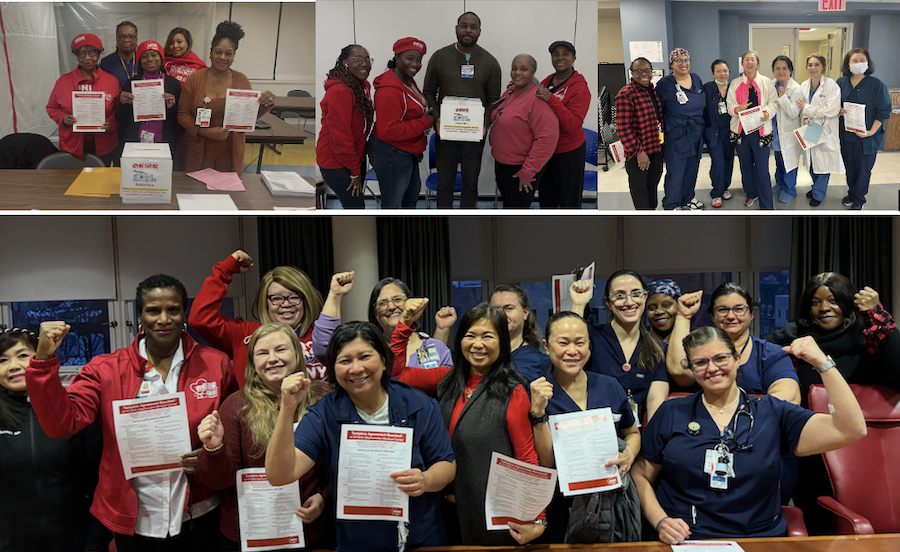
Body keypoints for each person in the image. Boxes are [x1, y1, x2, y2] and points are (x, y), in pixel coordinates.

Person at [25, 274, 238, 550]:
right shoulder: (106, 369)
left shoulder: (216, 364)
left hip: (199, 514)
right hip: (134, 519)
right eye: (152, 310)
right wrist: (43, 362)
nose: (164, 319)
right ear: (139, 316)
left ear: (183, 314)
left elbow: (231, 433)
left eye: (173, 309)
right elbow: (62, 423)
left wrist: (210, 457)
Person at [632, 326, 866, 543]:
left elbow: (851, 429)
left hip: (758, 538)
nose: (712, 368)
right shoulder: (672, 412)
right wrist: (661, 521)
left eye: (721, 358)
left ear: (737, 359)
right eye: (700, 362)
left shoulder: (773, 412)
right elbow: (641, 475)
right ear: (692, 369)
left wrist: (822, 363)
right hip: (688, 538)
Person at [265, 321, 456, 552]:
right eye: (345, 361)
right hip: (357, 542)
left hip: (422, 539)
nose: (356, 369)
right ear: (333, 369)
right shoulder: (325, 413)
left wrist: (425, 481)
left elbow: (446, 465)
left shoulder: (418, 404)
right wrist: (287, 408)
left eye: (365, 356)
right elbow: (280, 475)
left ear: (384, 361)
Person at [387, 302, 546, 545]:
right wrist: (405, 325)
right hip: (441, 511)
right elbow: (397, 375)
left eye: (488, 336)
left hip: (489, 515)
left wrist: (537, 520)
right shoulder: (446, 379)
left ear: (502, 342)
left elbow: (526, 457)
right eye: (470, 335)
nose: (478, 344)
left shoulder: (513, 391)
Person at [767, 272, 899, 534]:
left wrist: (876, 314)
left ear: (848, 303)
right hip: (811, 456)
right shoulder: (792, 340)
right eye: (816, 301)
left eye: (834, 300)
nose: (824, 308)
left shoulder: (869, 338)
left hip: (864, 450)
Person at [194, 323, 333, 550]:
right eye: (262, 353)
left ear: (297, 355)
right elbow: (217, 482)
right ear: (253, 362)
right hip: (251, 534)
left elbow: (338, 462)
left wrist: (324, 497)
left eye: (281, 350)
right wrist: (214, 448)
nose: (272, 359)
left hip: (311, 530)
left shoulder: (323, 398)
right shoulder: (236, 406)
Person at [529, 312, 641, 543]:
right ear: (546, 346)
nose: (573, 351)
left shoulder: (609, 386)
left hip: (609, 503)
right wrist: (538, 412)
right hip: (560, 504)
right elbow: (546, 461)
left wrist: (629, 454)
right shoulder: (538, 392)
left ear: (589, 346)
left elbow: (632, 432)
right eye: (563, 343)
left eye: (580, 342)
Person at [0, 329, 108, 552]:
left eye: (22, 356)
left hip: (77, 541)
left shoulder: (73, 414)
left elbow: (101, 486)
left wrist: (96, 541)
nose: (13, 366)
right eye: (2, 360)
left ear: (40, 360)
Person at [190, 249, 339, 386]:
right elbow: (201, 318)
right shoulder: (244, 334)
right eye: (276, 298)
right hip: (259, 413)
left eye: (294, 297)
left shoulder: (322, 335)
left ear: (306, 299)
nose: (286, 304)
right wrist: (225, 270)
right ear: (265, 302)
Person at [669, 282, 800, 403]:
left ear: (751, 314)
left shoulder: (771, 354)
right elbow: (680, 373)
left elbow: (789, 398)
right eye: (722, 310)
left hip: (758, 426)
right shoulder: (699, 354)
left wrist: (734, 414)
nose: (731, 316)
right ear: (712, 316)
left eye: (739, 309)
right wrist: (683, 316)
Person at [423, 12, 502, 209]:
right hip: (446, 132)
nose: (468, 30)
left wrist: (485, 124)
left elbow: (493, 101)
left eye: (473, 27)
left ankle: (466, 223)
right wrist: (438, 119)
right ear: (456, 28)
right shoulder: (439, 57)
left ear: (479, 31)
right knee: (445, 184)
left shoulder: (490, 62)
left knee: (470, 184)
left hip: (474, 134)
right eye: (464, 25)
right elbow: (429, 93)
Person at [569, 271, 669, 425]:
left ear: (645, 297)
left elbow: (656, 405)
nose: (629, 302)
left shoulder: (657, 348)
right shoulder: (592, 337)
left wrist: (648, 445)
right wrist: (578, 304)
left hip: (637, 436)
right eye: (620, 296)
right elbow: (570, 349)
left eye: (636, 294)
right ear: (608, 303)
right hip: (593, 432)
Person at [176, 21, 275, 176]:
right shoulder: (195, 79)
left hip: (230, 154)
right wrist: (204, 131)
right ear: (210, 52)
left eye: (228, 53)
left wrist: (265, 104)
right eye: (218, 52)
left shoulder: (241, 81)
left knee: (227, 196)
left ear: (233, 56)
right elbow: (182, 114)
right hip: (199, 153)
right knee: (197, 194)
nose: (223, 57)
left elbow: (247, 117)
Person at [312, 276, 455, 369]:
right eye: (383, 303)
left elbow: (447, 395)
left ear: (411, 303)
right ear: (375, 313)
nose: (391, 307)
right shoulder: (368, 348)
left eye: (397, 299)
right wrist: (335, 296)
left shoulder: (436, 348)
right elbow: (324, 349)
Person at [370, 37, 433, 209]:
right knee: (393, 203)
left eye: (419, 60)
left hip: (406, 149)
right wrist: (426, 122)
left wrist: (418, 145)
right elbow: (388, 131)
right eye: (410, 58)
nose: (415, 64)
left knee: (411, 195)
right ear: (397, 58)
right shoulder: (389, 91)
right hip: (391, 151)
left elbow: (410, 114)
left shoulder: (406, 80)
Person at [490, 54, 559, 209]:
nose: (517, 73)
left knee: (517, 213)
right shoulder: (511, 91)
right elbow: (498, 116)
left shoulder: (537, 100)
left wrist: (527, 173)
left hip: (520, 168)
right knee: (508, 207)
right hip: (502, 163)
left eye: (523, 69)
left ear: (533, 72)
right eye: (514, 68)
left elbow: (547, 139)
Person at [46, 33, 121, 165]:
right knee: (73, 181)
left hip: (105, 145)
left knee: (101, 182)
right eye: (81, 53)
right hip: (72, 145)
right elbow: (51, 108)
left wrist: (112, 124)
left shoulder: (111, 81)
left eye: (92, 53)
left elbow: (119, 110)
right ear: (77, 56)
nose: (87, 58)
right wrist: (62, 118)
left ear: (98, 55)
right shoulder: (63, 82)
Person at [317, 44, 373, 209]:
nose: (364, 63)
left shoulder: (363, 87)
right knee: (355, 208)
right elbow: (341, 137)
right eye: (358, 59)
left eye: (367, 60)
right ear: (345, 62)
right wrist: (355, 170)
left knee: (356, 206)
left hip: (354, 158)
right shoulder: (340, 91)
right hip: (337, 162)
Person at [536, 41, 591, 208]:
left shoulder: (580, 88)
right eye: (555, 54)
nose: (560, 57)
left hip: (568, 151)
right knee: (546, 198)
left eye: (565, 54)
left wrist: (551, 100)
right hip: (546, 150)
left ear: (574, 58)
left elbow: (573, 125)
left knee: (569, 201)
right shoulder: (545, 82)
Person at [835, 48, 892, 210]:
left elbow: (883, 111)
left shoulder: (876, 84)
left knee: (863, 170)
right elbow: (834, 104)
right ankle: (852, 193)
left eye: (862, 60)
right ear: (848, 63)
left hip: (867, 137)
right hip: (847, 135)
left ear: (867, 62)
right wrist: (838, 110)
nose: (858, 63)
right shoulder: (841, 82)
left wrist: (870, 132)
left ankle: (858, 200)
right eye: (854, 60)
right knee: (850, 167)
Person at [727, 50, 778, 210]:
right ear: (742, 64)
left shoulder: (766, 82)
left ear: (757, 63)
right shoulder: (735, 83)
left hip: (762, 133)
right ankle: (751, 193)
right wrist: (737, 109)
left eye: (753, 59)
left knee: (762, 169)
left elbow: (774, 103)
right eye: (746, 59)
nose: (750, 62)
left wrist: (767, 113)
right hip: (740, 133)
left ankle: (766, 205)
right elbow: (729, 105)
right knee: (745, 165)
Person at [657, 48, 705, 211]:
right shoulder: (665, 84)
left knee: (692, 169)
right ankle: (671, 205)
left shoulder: (696, 79)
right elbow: (658, 111)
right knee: (676, 171)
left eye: (686, 60)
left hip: (695, 131)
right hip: (677, 133)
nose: (683, 64)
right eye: (679, 60)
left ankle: (687, 199)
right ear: (671, 63)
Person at [115, 41, 181, 158]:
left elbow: (180, 119)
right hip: (136, 141)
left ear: (161, 58)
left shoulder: (173, 83)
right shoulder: (131, 84)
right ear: (140, 61)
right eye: (144, 56)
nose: (150, 59)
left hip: (164, 143)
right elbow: (121, 120)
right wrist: (123, 104)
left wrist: (172, 108)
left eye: (154, 55)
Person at [614, 57, 664, 210]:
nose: (644, 74)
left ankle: (651, 214)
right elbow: (623, 128)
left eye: (647, 70)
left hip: (655, 146)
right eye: (639, 70)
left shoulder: (651, 90)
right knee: (640, 188)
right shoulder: (626, 94)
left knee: (652, 184)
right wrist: (638, 152)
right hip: (639, 152)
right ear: (632, 72)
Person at [796, 53, 844, 207]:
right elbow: (801, 108)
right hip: (810, 127)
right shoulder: (804, 85)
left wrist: (808, 109)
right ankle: (816, 187)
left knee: (823, 163)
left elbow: (832, 110)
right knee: (811, 161)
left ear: (823, 66)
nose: (813, 68)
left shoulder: (831, 86)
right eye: (810, 64)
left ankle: (818, 193)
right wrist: (805, 116)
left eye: (817, 64)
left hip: (825, 128)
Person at [163, 27, 207, 171]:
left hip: (187, 121)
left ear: (188, 43)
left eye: (179, 41)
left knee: (183, 160)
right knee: (165, 158)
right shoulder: (163, 63)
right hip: (166, 119)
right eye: (172, 42)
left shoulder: (199, 67)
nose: (175, 46)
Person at [490, 283, 549, 382]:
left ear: (525, 313)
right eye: (495, 309)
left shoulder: (540, 361)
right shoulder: (481, 354)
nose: (502, 314)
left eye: (509, 308)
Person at [769, 55, 804, 204]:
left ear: (790, 70)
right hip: (775, 131)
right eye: (777, 68)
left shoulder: (796, 88)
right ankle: (780, 183)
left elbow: (794, 113)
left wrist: (783, 97)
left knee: (789, 162)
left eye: (784, 68)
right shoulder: (771, 84)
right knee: (779, 160)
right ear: (773, 70)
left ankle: (790, 189)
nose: (781, 71)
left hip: (788, 132)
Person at [703, 60, 736, 208]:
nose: (723, 74)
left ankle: (725, 187)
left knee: (729, 161)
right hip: (714, 133)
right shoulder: (707, 88)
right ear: (713, 73)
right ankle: (716, 193)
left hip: (730, 132)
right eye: (719, 71)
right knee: (718, 163)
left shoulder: (734, 87)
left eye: (725, 70)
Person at [100, 21, 138, 90]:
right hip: (116, 100)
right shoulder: (106, 63)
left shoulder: (143, 61)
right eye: (121, 36)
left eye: (131, 36)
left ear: (136, 40)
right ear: (116, 39)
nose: (126, 40)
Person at [646, 279, 682, 344]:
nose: (659, 311)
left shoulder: (693, 343)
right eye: (652, 308)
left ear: (679, 306)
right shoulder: (639, 345)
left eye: (666, 305)